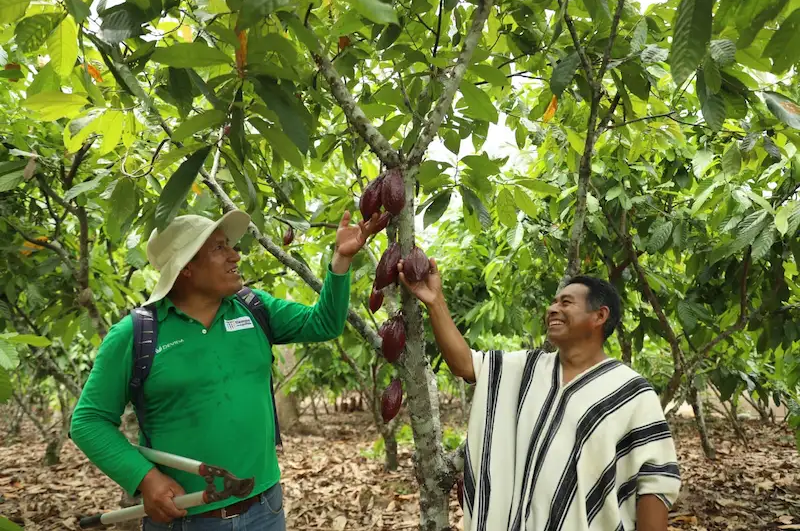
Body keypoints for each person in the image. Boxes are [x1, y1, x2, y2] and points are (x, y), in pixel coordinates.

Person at [71, 208, 383, 530]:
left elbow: (325, 323)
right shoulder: (136, 334)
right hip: (187, 519)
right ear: (187, 267)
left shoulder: (253, 308)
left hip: (265, 507)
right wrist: (147, 479)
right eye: (219, 248)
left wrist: (341, 260)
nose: (235, 255)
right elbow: (88, 421)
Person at [398, 258, 681, 531]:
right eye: (554, 302)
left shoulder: (630, 392)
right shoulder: (525, 369)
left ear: (600, 315)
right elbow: (463, 363)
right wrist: (435, 301)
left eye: (566, 302)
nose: (553, 308)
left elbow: (654, 482)